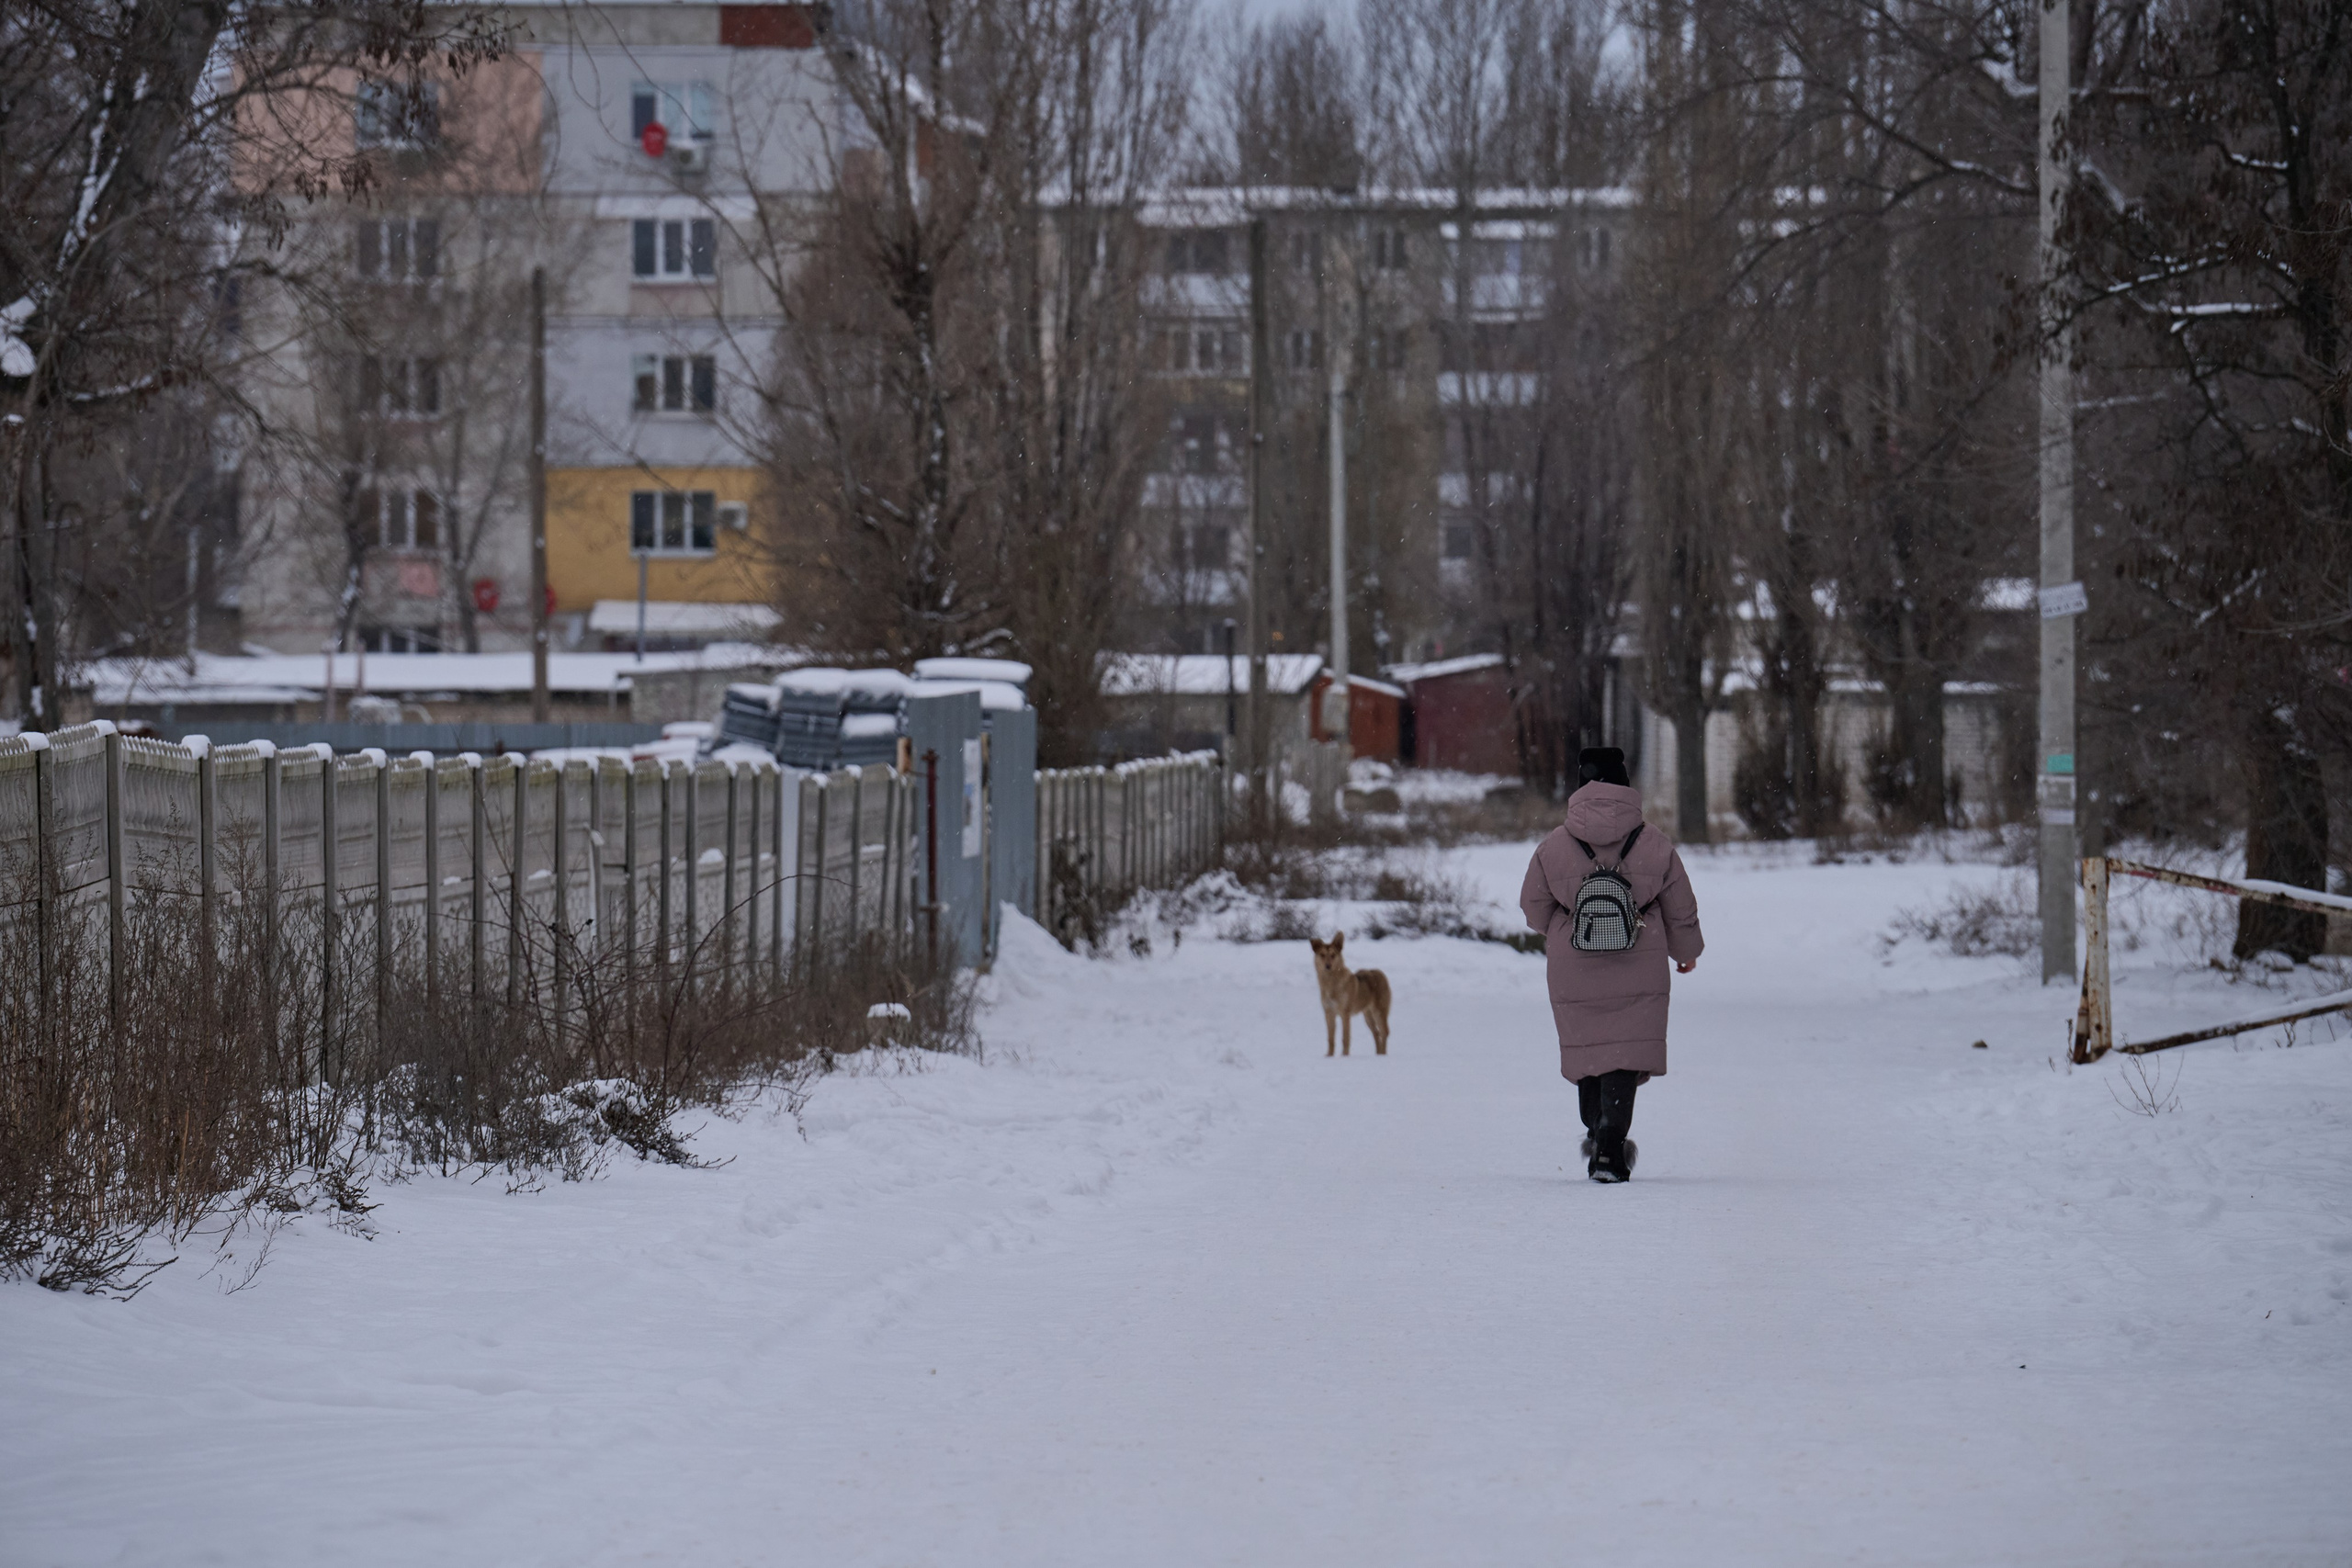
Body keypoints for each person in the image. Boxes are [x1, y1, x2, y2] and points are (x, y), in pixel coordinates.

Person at [1518, 747, 1704, 1183]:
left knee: (1589, 1051)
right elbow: (1681, 907)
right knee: (1624, 1052)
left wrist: (1564, 929)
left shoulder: (1554, 846)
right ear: (1625, 785)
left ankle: (1595, 1126)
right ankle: (1610, 1146)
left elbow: (1532, 906)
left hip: (1574, 964)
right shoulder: (1654, 842)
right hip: (1639, 959)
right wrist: (1687, 951)